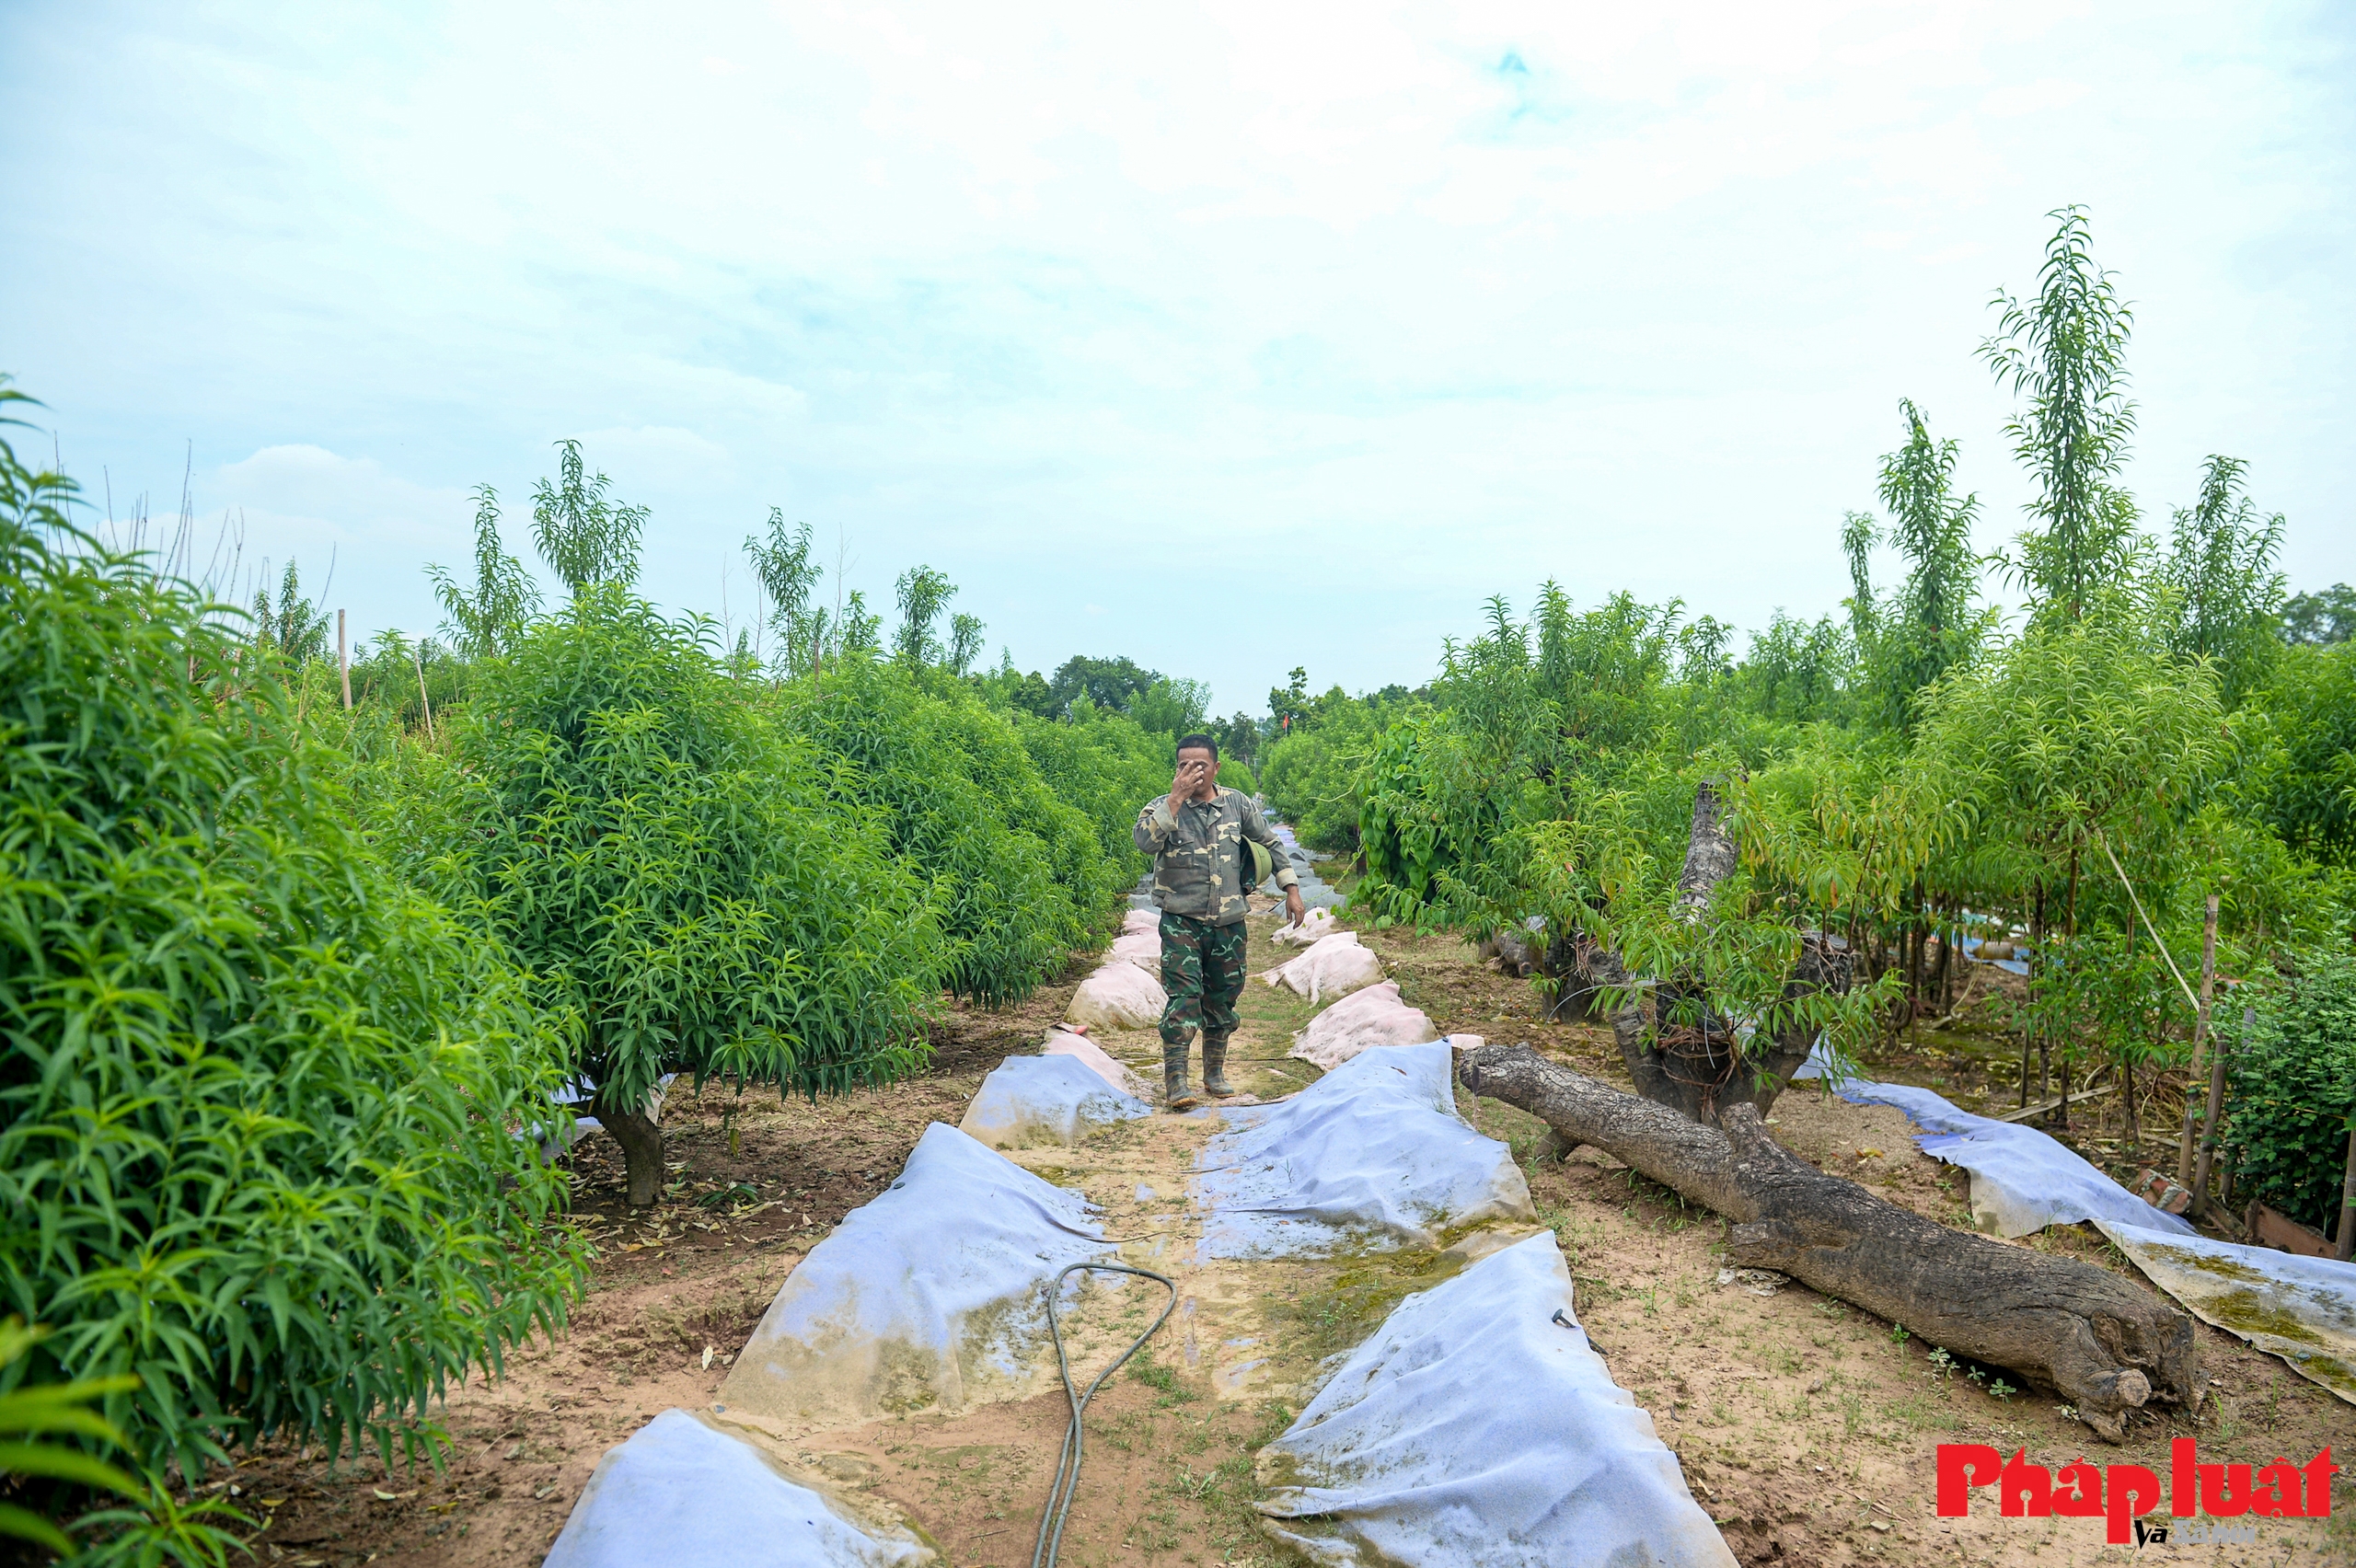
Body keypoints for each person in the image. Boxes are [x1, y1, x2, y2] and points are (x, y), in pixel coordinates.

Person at [1133, 732, 1307, 1110]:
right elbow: (1144, 843)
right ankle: (1176, 1080)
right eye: (1184, 766)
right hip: (1182, 921)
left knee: (1223, 1000)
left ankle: (1214, 1072)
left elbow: (1272, 842)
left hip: (1228, 923)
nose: (1193, 772)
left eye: (1200, 765)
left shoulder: (1237, 804)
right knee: (1184, 998)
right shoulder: (1161, 807)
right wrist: (1175, 799)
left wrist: (1291, 888)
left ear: (1216, 767)